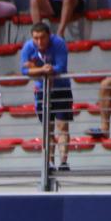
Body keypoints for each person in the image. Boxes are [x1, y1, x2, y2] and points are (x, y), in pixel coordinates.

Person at [21, 22, 72, 172]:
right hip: (41, 90)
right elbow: (23, 70)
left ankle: (63, 162)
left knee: (62, 126)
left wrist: (35, 69)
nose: (39, 42)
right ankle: (50, 162)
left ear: (49, 36)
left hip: (61, 88)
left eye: (42, 38)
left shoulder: (59, 43)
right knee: (47, 128)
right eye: (36, 38)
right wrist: (43, 69)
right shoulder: (28, 47)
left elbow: (60, 67)